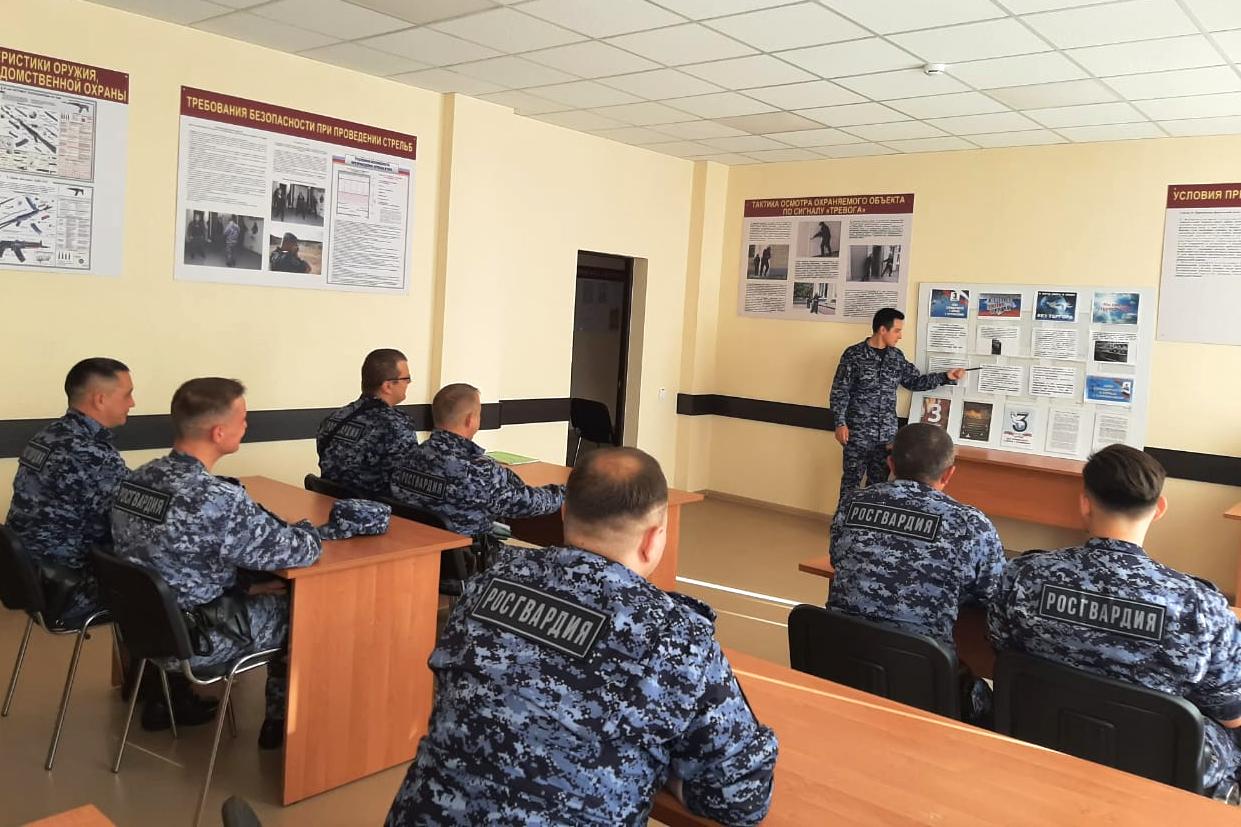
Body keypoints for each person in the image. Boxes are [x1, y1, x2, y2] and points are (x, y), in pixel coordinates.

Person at [384, 447, 778, 826]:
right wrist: (669, 774)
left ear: (564, 514)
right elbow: (742, 798)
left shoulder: (487, 583)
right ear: (653, 539)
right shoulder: (674, 635)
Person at [987, 445, 1241, 802]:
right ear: (1160, 509)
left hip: (1044, 745)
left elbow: (1000, 647)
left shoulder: (1023, 576)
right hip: (1158, 778)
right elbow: (1232, 714)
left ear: (1085, 503)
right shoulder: (1201, 607)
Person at [111, 378, 322, 748]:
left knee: (267, 585)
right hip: (198, 641)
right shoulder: (216, 499)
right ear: (218, 432)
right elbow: (302, 552)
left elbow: (171, 560)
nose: (247, 425)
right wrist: (307, 529)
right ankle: (285, 728)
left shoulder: (138, 478)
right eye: (243, 419)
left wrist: (247, 584)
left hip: (144, 629)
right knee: (310, 608)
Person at [829, 423, 1005, 721]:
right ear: (948, 474)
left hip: (840, 667)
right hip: (921, 683)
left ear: (890, 464)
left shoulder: (852, 503)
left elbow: (837, 557)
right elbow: (993, 594)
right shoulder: (971, 525)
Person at [6, 358, 134, 620]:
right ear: (100, 399)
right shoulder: (91, 453)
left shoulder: (46, 436)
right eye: (127, 395)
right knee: (172, 586)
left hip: (26, 578)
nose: (132, 403)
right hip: (68, 589)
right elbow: (131, 520)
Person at [389, 383, 563, 541]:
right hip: (471, 558)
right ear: (470, 420)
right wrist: (565, 493)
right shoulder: (478, 471)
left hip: (419, 551)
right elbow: (527, 504)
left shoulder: (408, 456)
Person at [830, 308, 965, 511]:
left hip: (886, 436)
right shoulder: (854, 355)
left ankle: (873, 525)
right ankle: (843, 523)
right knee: (851, 483)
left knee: (879, 486)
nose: (900, 336)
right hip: (857, 434)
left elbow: (914, 381)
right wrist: (840, 423)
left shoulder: (896, 357)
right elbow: (840, 391)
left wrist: (946, 377)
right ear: (882, 330)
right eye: (897, 331)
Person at [317, 349, 421, 499]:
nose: (408, 383)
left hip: (329, 507)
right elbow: (409, 481)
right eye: (406, 379)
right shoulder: (396, 424)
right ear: (387, 386)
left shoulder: (335, 418)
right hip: (373, 511)